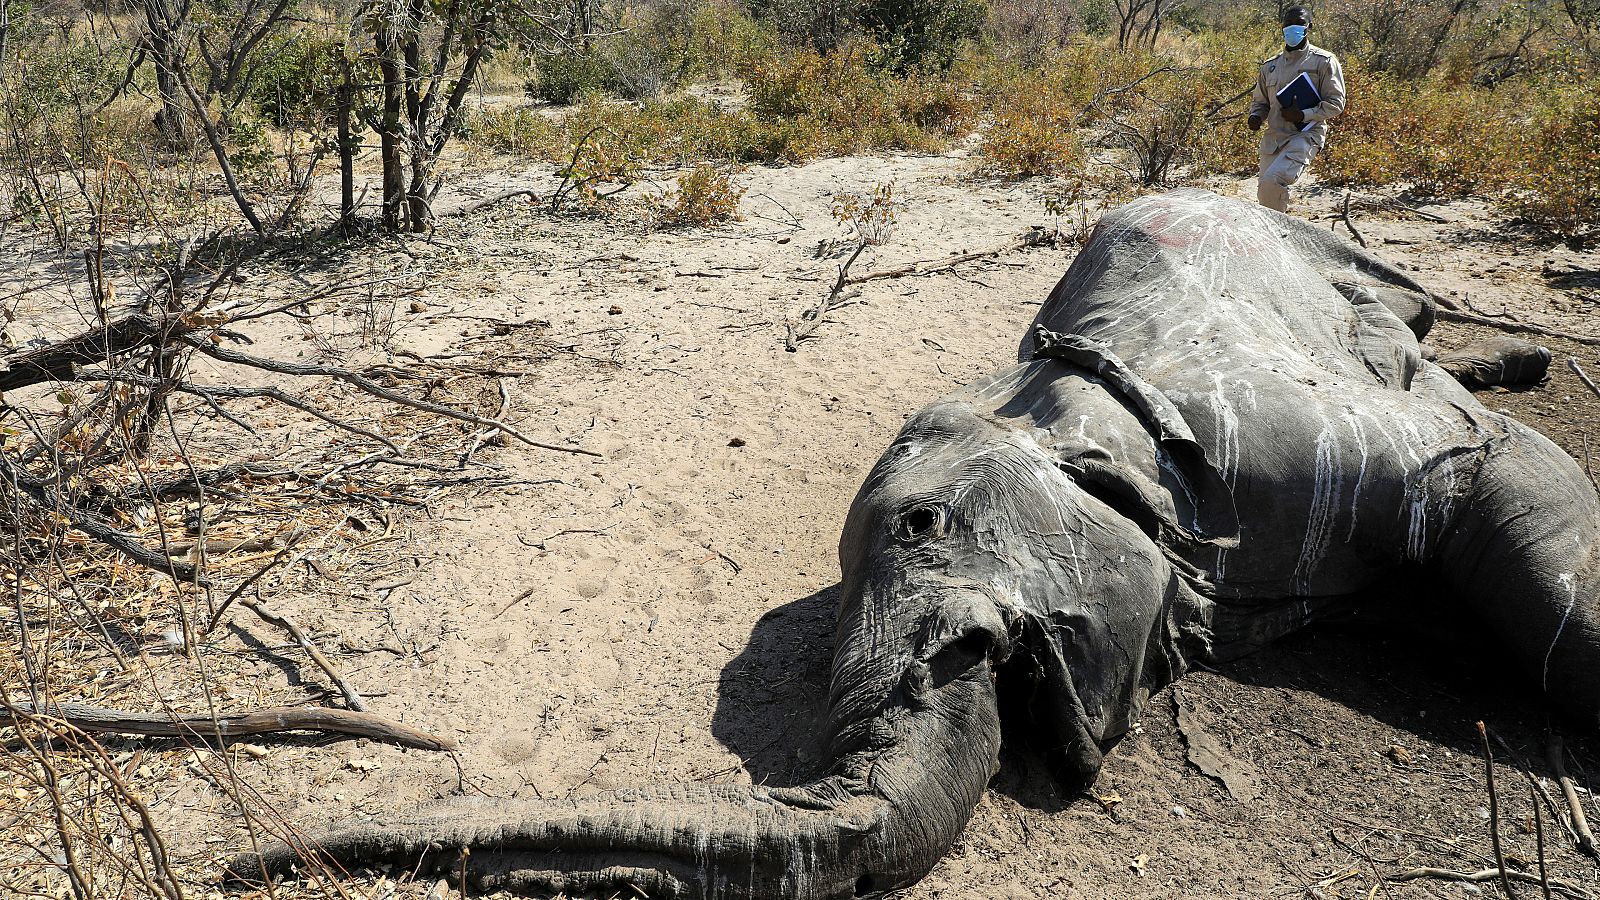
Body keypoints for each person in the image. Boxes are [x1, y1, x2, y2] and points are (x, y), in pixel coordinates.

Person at [1247, 7, 1346, 213]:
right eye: (1288, 23)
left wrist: (1303, 115)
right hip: (1273, 140)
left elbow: (1336, 103)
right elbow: (1261, 102)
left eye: (1299, 23)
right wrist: (1255, 116)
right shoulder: (1270, 66)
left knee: (1273, 181)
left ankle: (1277, 229)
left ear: (1309, 27)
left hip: (1305, 135)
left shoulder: (1324, 61)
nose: (1292, 27)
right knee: (1265, 193)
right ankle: (1277, 228)